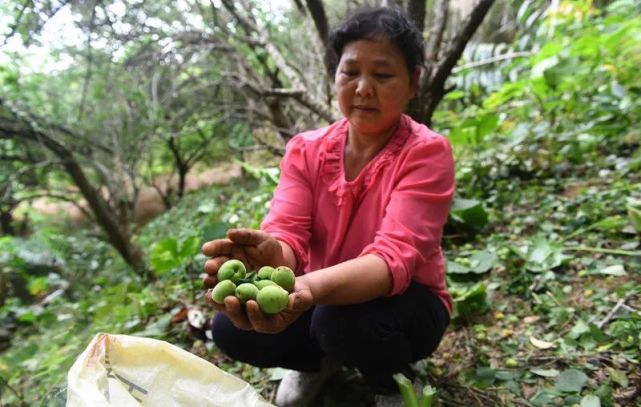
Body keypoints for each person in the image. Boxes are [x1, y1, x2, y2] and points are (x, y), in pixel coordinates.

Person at [202, 6, 454, 407]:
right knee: (231, 328)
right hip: (321, 298)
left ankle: (390, 382)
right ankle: (320, 363)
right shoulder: (306, 151)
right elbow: (288, 233)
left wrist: (304, 288)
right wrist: (274, 255)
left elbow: (394, 259)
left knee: (340, 321)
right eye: (350, 72)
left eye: (383, 75)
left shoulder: (427, 154)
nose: (363, 88)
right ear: (335, 76)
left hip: (407, 306)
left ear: (413, 82)